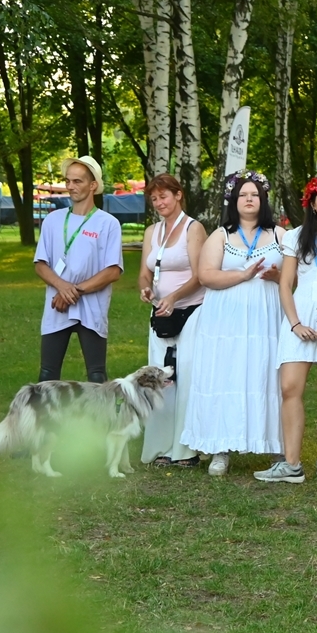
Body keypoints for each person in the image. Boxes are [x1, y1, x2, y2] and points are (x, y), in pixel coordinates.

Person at [180, 173, 286, 476]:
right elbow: (206, 275)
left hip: (265, 317)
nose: (249, 199)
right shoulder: (221, 235)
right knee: (225, 375)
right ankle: (220, 447)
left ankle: (275, 445)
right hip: (226, 320)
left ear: (263, 199)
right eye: (243, 195)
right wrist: (242, 275)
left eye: (254, 194)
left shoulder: (280, 235)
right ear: (233, 201)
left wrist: (277, 277)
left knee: (266, 373)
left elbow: (296, 279)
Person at [256, 173, 317, 484]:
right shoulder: (295, 236)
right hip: (300, 321)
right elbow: (286, 284)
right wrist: (295, 323)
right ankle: (291, 463)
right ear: (312, 204)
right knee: (290, 387)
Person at [33, 156, 123, 383]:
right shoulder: (53, 220)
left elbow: (113, 271)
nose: (70, 186)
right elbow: (40, 264)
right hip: (56, 306)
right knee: (47, 375)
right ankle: (44, 410)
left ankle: (98, 410)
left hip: (91, 308)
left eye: (77, 181)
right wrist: (62, 287)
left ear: (93, 185)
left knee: (97, 375)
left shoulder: (107, 223)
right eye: (68, 181)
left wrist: (72, 292)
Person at [137, 173, 206, 467]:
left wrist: (175, 297)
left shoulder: (194, 228)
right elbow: (145, 271)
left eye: (163, 196)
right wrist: (146, 288)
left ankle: (187, 449)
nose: (159, 203)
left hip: (191, 311)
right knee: (161, 379)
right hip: (160, 313)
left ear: (178, 195)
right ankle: (163, 446)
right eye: (154, 199)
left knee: (186, 377)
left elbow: (201, 275)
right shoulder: (152, 231)